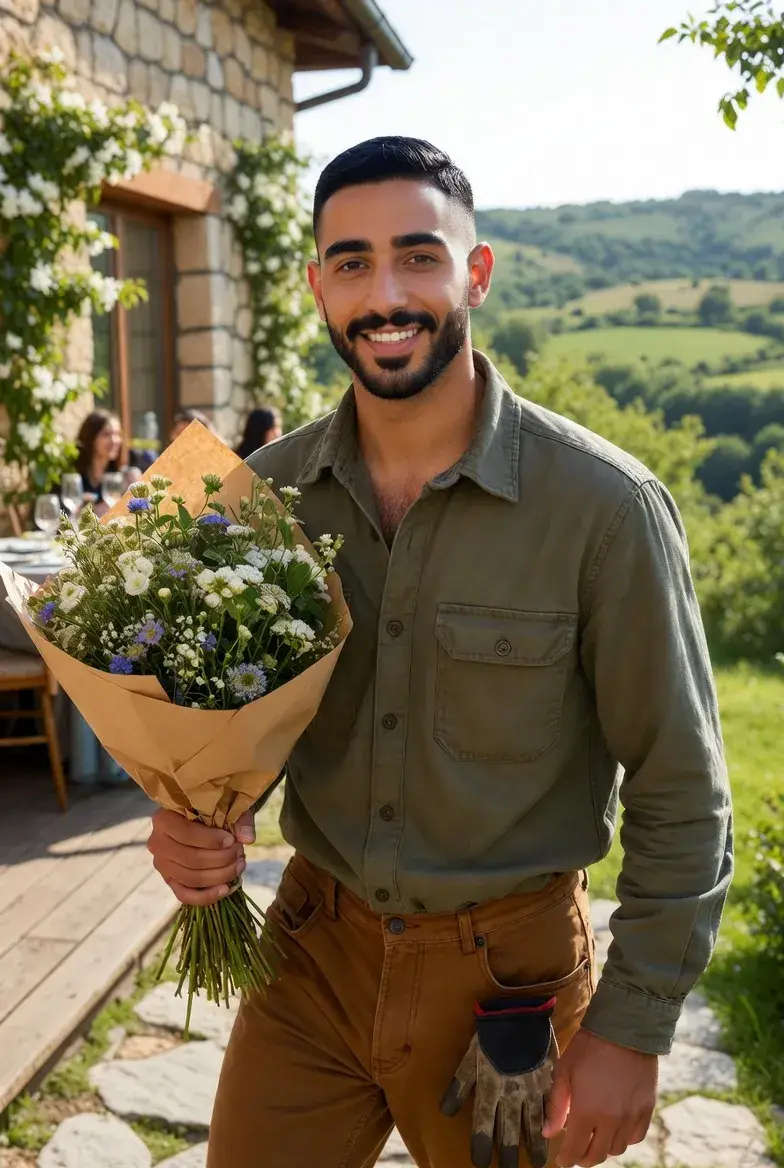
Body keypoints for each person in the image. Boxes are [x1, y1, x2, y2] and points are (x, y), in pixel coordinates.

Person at [147, 138, 733, 1168]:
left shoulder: (604, 510)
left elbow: (683, 789)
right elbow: (217, 733)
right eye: (351, 262)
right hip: (309, 957)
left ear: (476, 271)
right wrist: (185, 824)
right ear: (317, 287)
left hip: (510, 990)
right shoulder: (255, 502)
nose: (386, 294)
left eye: (419, 256)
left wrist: (634, 1027)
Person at [73, 409, 139, 513]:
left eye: (118, 434)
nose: (114, 440)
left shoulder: (126, 477)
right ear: (91, 438)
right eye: (106, 434)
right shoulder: (74, 475)